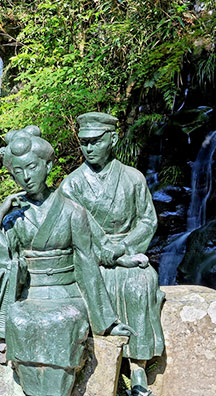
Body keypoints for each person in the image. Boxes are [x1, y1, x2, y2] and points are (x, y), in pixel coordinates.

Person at [0, 125, 132, 396]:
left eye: (32, 167)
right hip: (30, 293)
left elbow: (87, 266)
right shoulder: (14, 216)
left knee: (63, 322)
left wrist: (107, 321)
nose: (26, 177)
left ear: (49, 165)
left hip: (66, 293)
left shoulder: (71, 211)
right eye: (18, 172)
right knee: (20, 321)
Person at [59, 112, 165, 396]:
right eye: (84, 143)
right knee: (90, 283)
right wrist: (106, 254)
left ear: (113, 139)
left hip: (128, 250)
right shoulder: (71, 184)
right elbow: (72, 227)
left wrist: (123, 249)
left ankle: (138, 366)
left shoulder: (133, 178)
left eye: (95, 141)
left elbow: (147, 221)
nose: (89, 148)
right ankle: (105, 364)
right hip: (89, 256)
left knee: (140, 284)